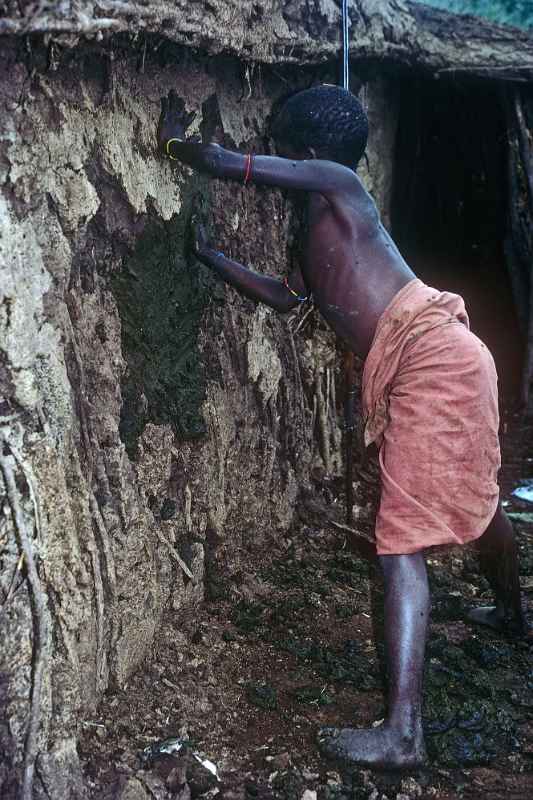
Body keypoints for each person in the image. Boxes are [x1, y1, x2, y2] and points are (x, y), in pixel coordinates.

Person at [156, 85, 530, 769]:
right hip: (443, 360)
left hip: (435, 361)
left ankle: (404, 734)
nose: (277, 155)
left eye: (281, 145)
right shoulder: (315, 227)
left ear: (307, 151)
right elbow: (287, 297)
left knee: (399, 545)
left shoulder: (339, 183)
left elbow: (229, 164)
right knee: (477, 496)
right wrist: (212, 258)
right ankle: (511, 615)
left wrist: (174, 143)